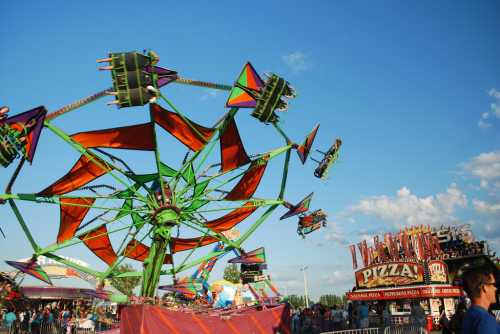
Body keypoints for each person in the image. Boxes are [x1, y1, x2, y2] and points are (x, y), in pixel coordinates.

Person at [462, 265, 500, 333]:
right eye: (493, 284)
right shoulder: (485, 320)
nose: (495, 288)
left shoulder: (469, 315)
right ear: (484, 287)